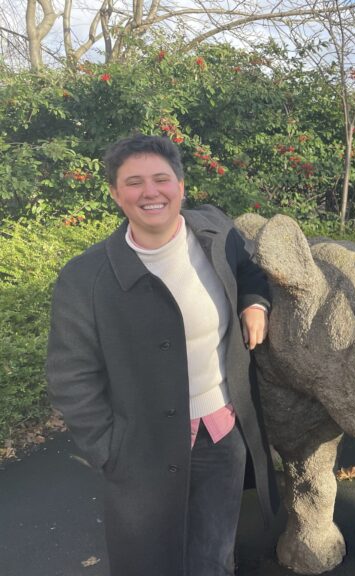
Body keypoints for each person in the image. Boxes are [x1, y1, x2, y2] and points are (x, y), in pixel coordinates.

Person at [46, 134, 278, 576]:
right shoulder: (84, 278)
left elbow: (248, 267)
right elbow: (70, 377)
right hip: (142, 448)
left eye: (161, 179)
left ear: (181, 186)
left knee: (213, 558)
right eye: (133, 182)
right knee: (150, 562)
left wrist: (254, 303)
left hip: (222, 431)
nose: (150, 192)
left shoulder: (216, 232)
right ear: (115, 194)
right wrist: (109, 451)